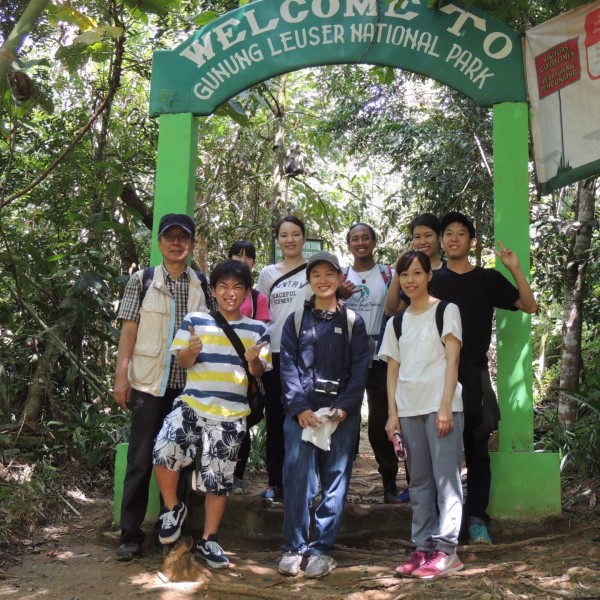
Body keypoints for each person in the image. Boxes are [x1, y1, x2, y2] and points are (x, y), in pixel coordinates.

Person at [152, 259, 272, 568]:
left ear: (247, 292)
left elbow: (259, 372)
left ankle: (209, 541)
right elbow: (183, 362)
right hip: (192, 404)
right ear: (213, 290)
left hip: (231, 414)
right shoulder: (195, 320)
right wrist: (191, 350)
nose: (230, 293)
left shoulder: (258, 329)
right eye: (223, 287)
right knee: (165, 448)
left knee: (217, 479)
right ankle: (172, 508)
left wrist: (252, 360)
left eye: (237, 288)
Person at [433, 211, 537, 545]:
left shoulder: (488, 280)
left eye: (460, 233)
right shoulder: (431, 280)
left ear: (471, 241)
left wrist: (515, 268)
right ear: (441, 240)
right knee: (442, 454)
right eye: (447, 233)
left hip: (474, 375)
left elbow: (529, 305)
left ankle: (477, 519)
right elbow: (396, 311)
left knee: (476, 451)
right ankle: (445, 522)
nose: (453, 238)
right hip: (436, 377)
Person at [113, 213, 209, 561]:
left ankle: (167, 533)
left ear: (192, 244)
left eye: (184, 237)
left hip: (186, 390)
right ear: (159, 242)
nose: (177, 243)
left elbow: (210, 337)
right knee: (140, 459)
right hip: (147, 386)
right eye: (170, 237)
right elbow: (128, 332)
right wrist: (121, 376)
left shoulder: (203, 284)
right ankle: (130, 535)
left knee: (180, 462)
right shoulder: (142, 280)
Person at [277, 251, 370, 579]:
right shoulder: (296, 321)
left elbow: (361, 369)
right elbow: (286, 366)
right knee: (298, 479)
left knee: (335, 480)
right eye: (316, 274)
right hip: (302, 416)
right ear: (309, 280)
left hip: (340, 416)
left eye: (329, 273)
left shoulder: (352, 322)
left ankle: (323, 549)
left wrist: (344, 407)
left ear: (338, 277)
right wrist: (300, 408)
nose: (323, 280)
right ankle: (293, 547)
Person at [379, 250, 464, 580]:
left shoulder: (446, 310)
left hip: (441, 407)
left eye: (416, 273)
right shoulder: (396, 322)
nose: (410, 280)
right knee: (420, 482)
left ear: (429, 275)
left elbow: (452, 361)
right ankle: (423, 547)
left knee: (447, 482)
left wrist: (445, 406)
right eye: (404, 275)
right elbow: (392, 370)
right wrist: (392, 414)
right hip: (409, 408)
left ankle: (447, 552)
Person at [337, 223, 404, 504]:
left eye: (365, 237)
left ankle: (390, 484)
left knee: (381, 421)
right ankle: (336, 486)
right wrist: (339, 296)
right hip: (347, 359)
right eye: (355, 239)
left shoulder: (388, 274)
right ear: (349, 245)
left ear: (374, 242)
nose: (360, 242)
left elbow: (399, 309)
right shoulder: (341, 277)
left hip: (380, 358)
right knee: (341, 419)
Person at [256, 216, 312, 499]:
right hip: (275, 353)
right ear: (277, 240)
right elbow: (261, 316)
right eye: (284, 235)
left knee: (306, 415)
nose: (290, 240)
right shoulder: (267, 274)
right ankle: (275, 481)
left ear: (304, 237)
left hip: (307, 353)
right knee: (276, 418)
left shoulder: (314, 271)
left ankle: (305, 481)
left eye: (295, 234)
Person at [227, 240, 270, 492]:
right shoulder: (219, 289)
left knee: (242, 423)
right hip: (220, 370)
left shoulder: (258, 298)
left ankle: (237, 478)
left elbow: (262, 334)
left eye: (248, 256)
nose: (243, 259)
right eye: (237, 254)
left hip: (248, 372)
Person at [385, 213, 445, 317]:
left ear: (439, 237)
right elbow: (391, 310)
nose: (422, 241)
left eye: (428, 235)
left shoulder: (449, 269)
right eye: (417, 237)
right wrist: (400, 268)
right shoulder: (409, 274)